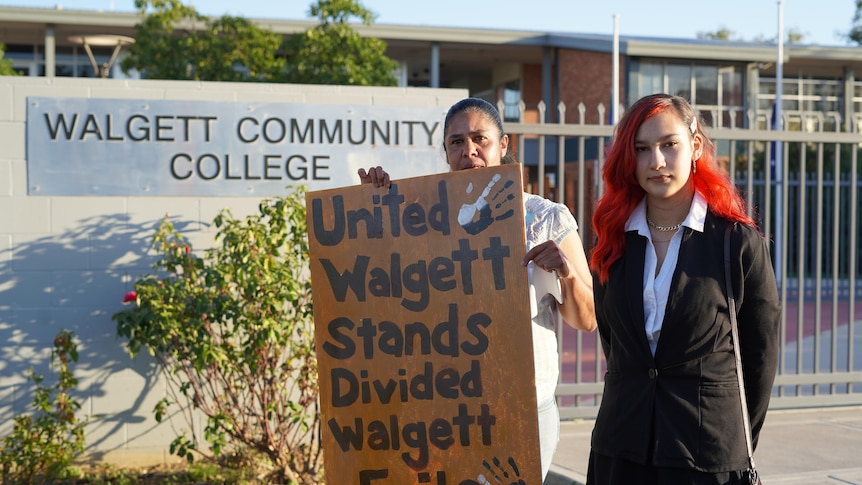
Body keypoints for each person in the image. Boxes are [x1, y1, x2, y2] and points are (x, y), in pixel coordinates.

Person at [359, 97, 597, 481]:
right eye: (456, 142)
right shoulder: (419, 220)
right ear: (446, 152)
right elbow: (381, 292)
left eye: (479, 139)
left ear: (503, 145)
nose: (468, 150)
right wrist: (369, 206)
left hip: (523, 413)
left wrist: (566, 272)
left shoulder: (546, 219)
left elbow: (587, 320)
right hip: (445, 413)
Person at [587, 93, 781, 484]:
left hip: (705, 456)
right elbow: (618, 347)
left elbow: (760, 357)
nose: (656, 162)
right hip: (621, 451)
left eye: (668, 145)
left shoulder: (735, 241)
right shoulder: (613, 241)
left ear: (694, 146)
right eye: (642, 149)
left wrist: (732, 441)